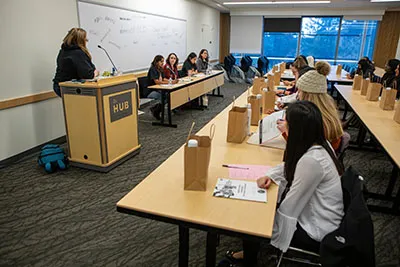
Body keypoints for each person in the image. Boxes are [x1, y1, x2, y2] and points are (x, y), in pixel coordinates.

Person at [227, 101, 344, 267]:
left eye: (287, 123)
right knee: (261, 206)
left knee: (252, 216)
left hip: (316, 229)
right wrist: (270, 175)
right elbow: (291, 166)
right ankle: (250, 252)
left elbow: (290, 207)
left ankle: (250, 259)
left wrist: (263, 221)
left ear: (297, 130)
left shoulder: (311, 161)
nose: (283, 126)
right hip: (325, 217)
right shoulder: (319, 145)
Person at [279, 61, 344, 152]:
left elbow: (304, 148)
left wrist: (286, 132)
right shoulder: (327, 109)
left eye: (300, 91)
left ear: (308, 95)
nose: (298, 95)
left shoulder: (312, 119)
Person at [53, 28, 99, 97]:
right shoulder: (78, 53)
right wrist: (95, 73)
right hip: (70, 88)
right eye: (85, 39)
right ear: (80, 40)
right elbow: (87, 75)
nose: (86, 41)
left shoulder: (63, 51)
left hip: (60, 86)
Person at [147, 55, 177, 119]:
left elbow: (163, 79)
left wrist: (171, 81)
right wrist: (170, 82)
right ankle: (156, 110)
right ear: (156, 62)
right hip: (152, 90)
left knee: (169, 95)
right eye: (161, 61)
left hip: (159, 88)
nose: (162, 63)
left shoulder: (160, 68)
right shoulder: (153, 69)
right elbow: (157, 82)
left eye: (163, 62)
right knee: (166, 96)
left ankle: (156, 109)